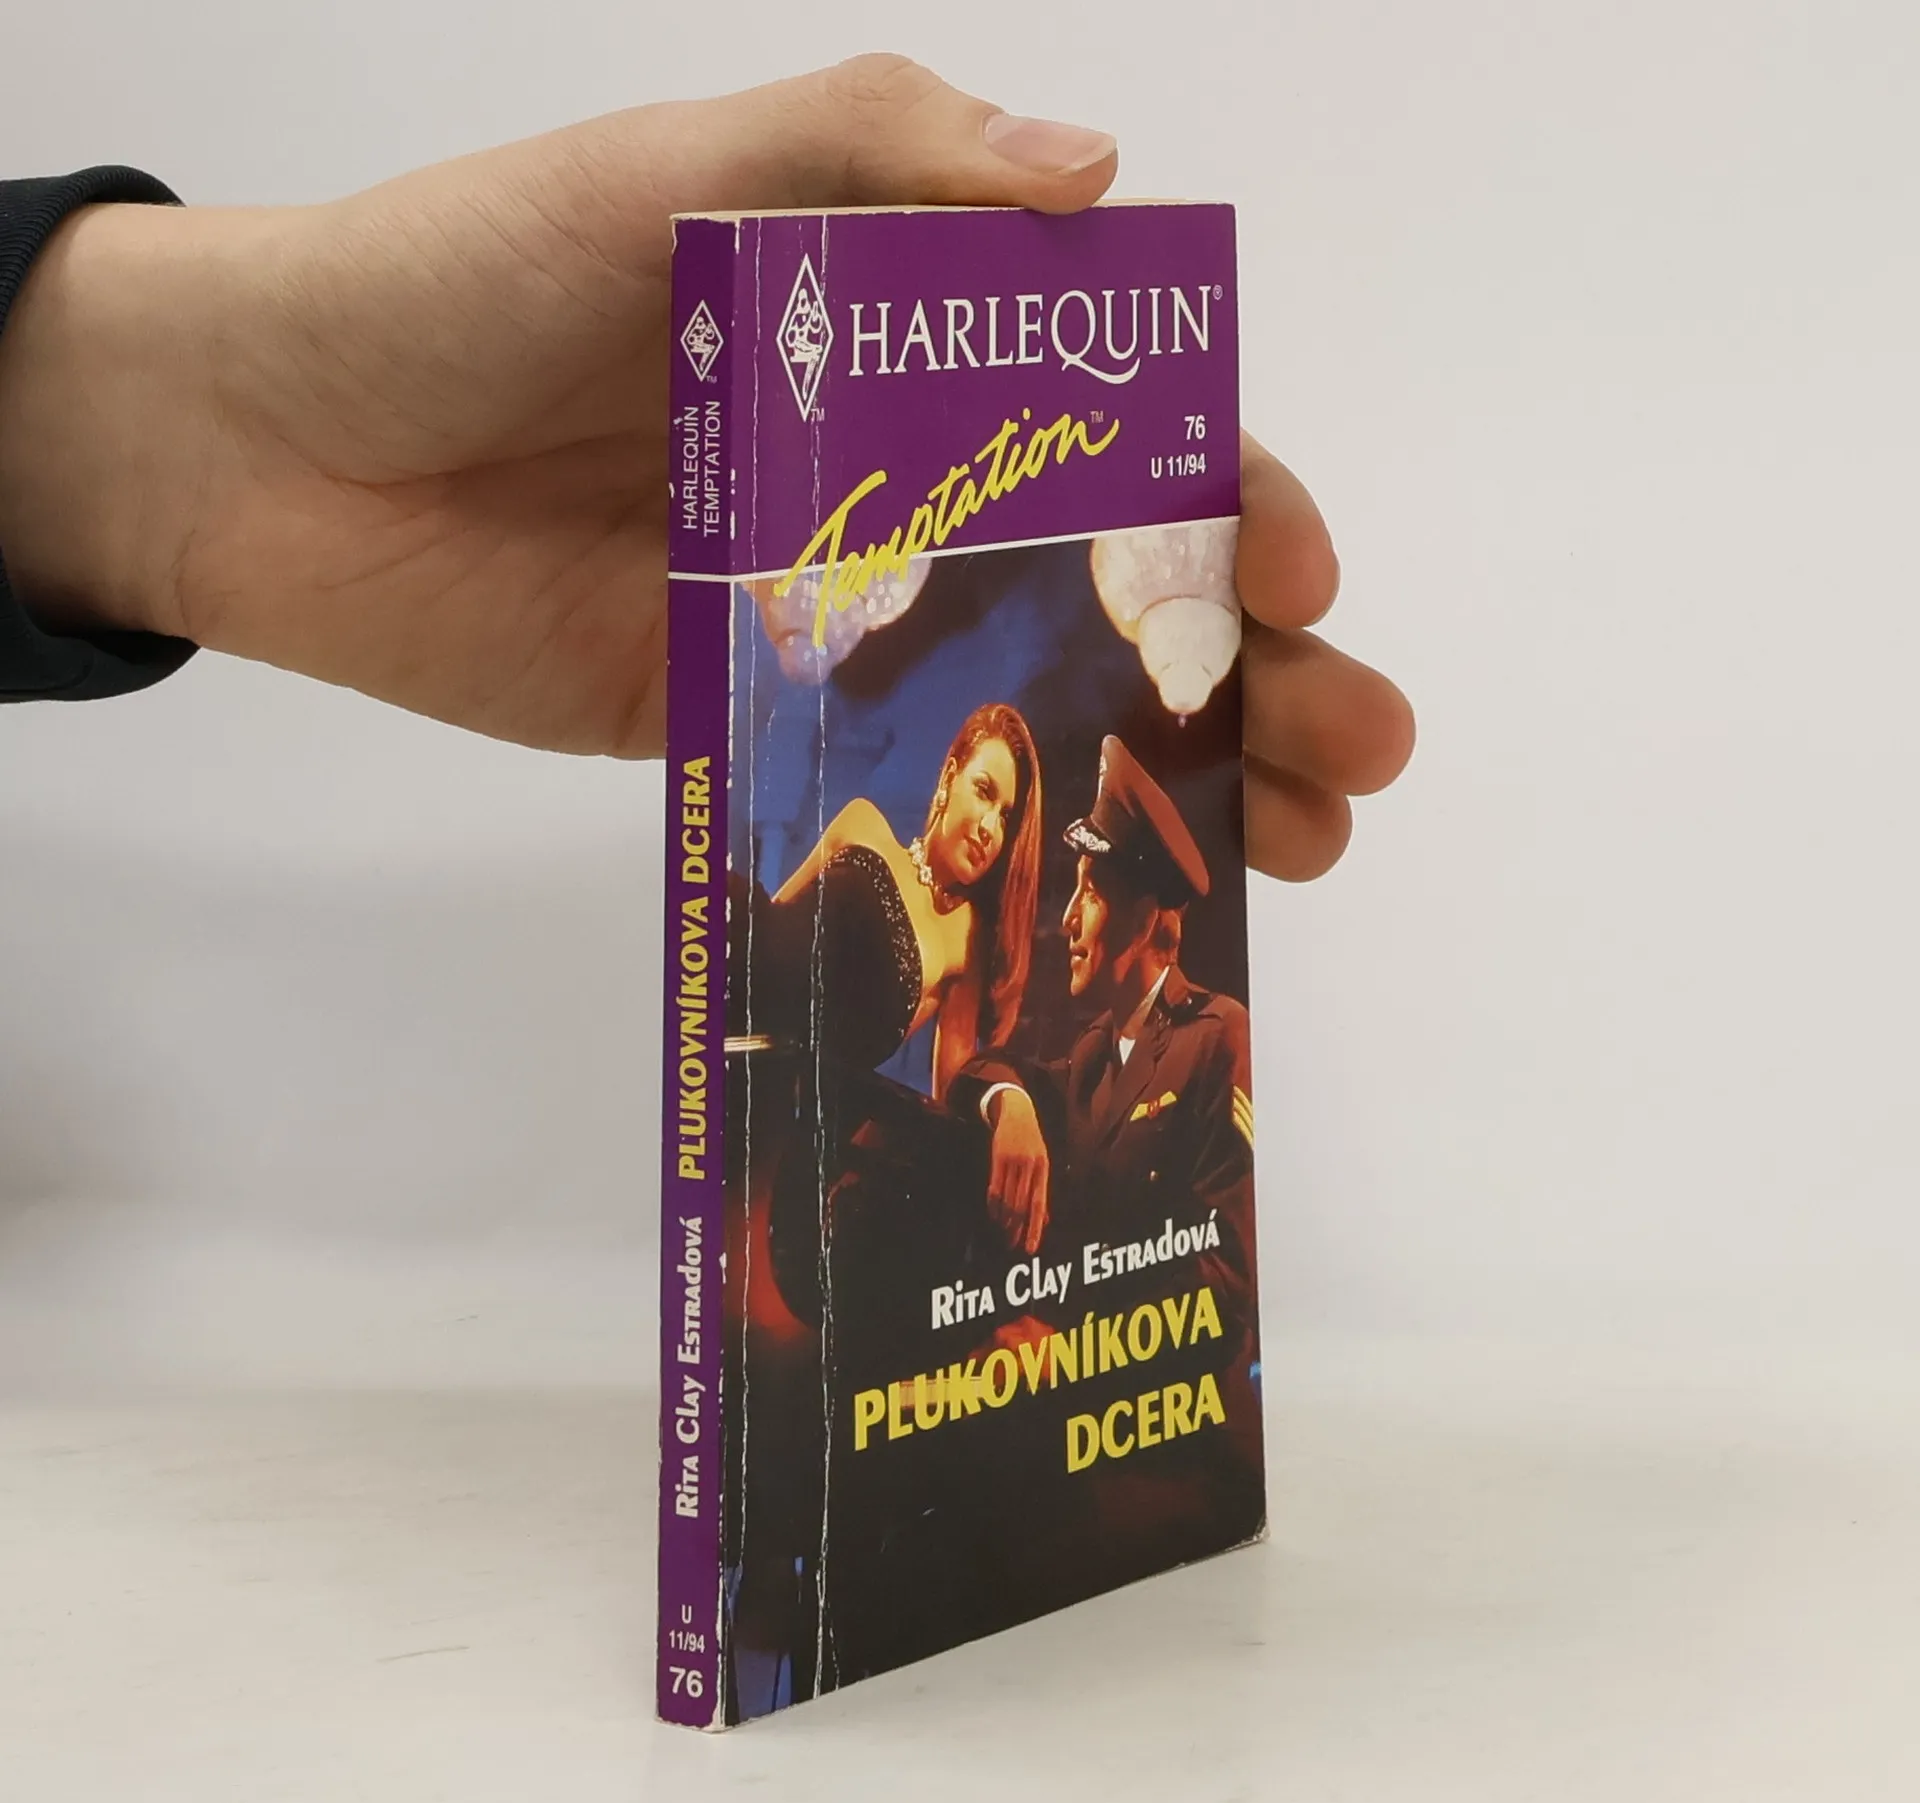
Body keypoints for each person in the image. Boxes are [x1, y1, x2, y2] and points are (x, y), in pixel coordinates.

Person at [0, 57, 1414, 882]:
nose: (986, 822)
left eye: (1002, 803)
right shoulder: (860, 852)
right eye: (985, 793)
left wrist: (175, 413)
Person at [945, 735, 1264, 1593]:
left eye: (1090, 891)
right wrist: (1009, 1106)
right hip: (1081, 1426)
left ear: (1151, 915)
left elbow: (1227, 1281)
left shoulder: (1217, 1037)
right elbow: (981, 1071)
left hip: (1179, 1451)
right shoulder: (1090, 1058)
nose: (1067, 921)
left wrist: (1066, 1348)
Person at [729, 702, 1042, 1095]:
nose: (989, 828)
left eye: (1006, 817)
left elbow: (952, 1094)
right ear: (950, 778)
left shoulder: (964, 941)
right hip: (726, 967)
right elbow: (773, 921)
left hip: (779, 1091)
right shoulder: (861, 822)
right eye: (984, 791)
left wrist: (1006, 1100)